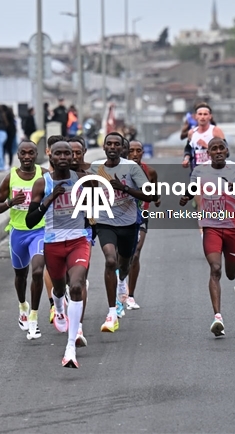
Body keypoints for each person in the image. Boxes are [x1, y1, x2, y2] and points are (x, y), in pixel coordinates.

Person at [179, 137, 235, 337]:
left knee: (231, 273)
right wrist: (186, 196)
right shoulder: (200, 171)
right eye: (214, 149)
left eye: (221, 148)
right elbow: (193, 188)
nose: (218, 151)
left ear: (227, 151)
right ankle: (217, 317)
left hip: (233, 226)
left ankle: (231, 270)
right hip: (211, 225)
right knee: (215, 269)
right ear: (209, 153)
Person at [24, 140, 91, 368]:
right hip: (53, 243)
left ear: (73, 157)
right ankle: (58, 308)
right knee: (59, 289)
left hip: (78, 241)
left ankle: (70, 347)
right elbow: (31, 220)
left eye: (68, 153)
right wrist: (48, 200)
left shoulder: (82, 179)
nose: (64, 157)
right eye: (58, 153)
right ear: (50, 156)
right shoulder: (43, 183)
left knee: (76, 286)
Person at [90, 132, 155, 332]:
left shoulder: (131, 168)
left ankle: (122, 281)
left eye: (116, 144)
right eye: (108, 144)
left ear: (121, 148)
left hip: (128, 223)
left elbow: (149, 194)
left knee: (125, 262)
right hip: (105, 221)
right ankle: (111, 312)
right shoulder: (95, 167)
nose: (112, 147)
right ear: (104, 147)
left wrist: (124, 188)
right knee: (110, 260)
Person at [0, 140, 45, 340]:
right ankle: (23, 306)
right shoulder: (10, 177)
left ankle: (33, 318)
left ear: (36, 154)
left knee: (38, 271)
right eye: (23, 153)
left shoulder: (44, 174)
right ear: (18, 155)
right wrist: (10, 203)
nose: (27, 157)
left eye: (31, 153)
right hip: (18, 233)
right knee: (21, 275)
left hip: (39, 231)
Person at [123, 139, 158, 311]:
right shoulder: (118, 170)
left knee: (135, 254)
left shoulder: (150, 172)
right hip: (120, 217)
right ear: (126, 152)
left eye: (139, 150)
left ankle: (130, 296)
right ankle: (119, 290)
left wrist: (156, 199)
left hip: (141, 215)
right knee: (118, 257)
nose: (135, 154)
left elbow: (155, 193)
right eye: (131, 150)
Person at [182, 102, 225, 171]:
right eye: (200, 114)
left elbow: (226, 153)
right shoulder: (192, 132)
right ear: (196, 116)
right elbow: (188, 150)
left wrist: (207, 146)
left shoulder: (216, 131)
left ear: (210, 116)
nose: (202, 117)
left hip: (214, 171)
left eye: (205, 114)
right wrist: (186, 159)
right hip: (197, 170)